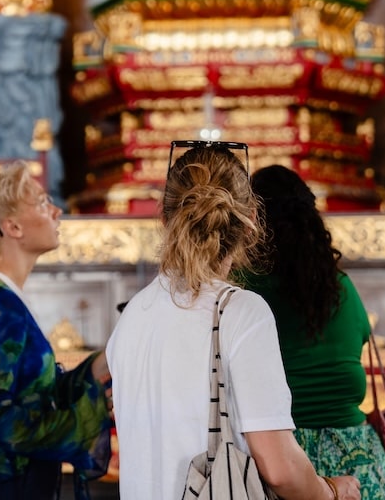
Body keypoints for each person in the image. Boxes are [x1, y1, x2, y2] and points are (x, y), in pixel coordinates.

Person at [106, 142, 361, 500]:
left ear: (165, 220)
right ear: (251, 223)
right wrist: (331, 491)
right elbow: (279, 468)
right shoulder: (241, 313)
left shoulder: (133, 315)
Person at [0, 160, 112, 500]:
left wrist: (104, 363)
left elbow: (33, 396)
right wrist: (84, 416)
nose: (57, 211)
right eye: (43, 202)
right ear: (13, 226)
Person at [237, 164, 385, 500]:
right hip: (361, 464)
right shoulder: (341, 287)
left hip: (285, 462)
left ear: (252, 219)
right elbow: (358, 341)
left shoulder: (244, 293)